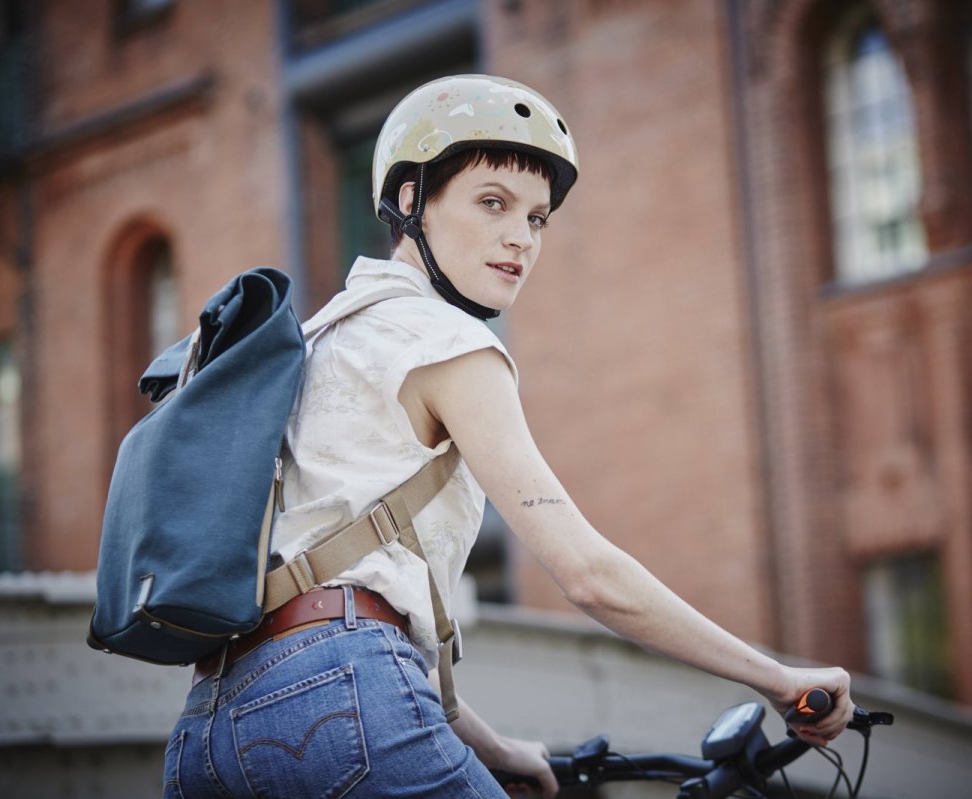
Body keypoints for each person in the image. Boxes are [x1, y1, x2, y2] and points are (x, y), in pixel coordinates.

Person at [163, 74, 854, 799]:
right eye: (492, 203)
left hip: (208, 732)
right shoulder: (447, 343)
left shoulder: (313, 342)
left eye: (538, 218)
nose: (520, 238)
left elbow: (331, 598)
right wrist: (778, 678)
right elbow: (588, 574)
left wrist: (493, 747)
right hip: (342, 706)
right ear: (409, 200)